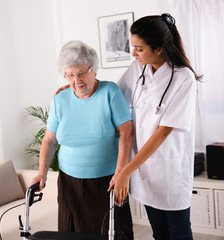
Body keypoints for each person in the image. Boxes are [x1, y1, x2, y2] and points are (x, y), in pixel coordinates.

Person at [111, 14, 202, 240]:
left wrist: (126, 170)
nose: (134, 54)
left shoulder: (184, 79)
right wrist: (77, 84)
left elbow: (162, 132)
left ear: (159, 49)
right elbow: (111, 95)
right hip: (145, 172)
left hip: (170, 173)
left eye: (139, 49)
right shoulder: (137, 69)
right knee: (159, 234)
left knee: (179, 234)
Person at [31, 40, 134, 239]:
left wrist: (121, 172)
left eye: (81, 73)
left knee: (111, 233)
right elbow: (50, 140)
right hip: (70, 184)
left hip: (107, 181)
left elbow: (127, 132)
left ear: (94, 71)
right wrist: (41, 173)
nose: (76, 80)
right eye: (70, 75)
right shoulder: (60, 99)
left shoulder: (110, 92)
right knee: (73, 234)